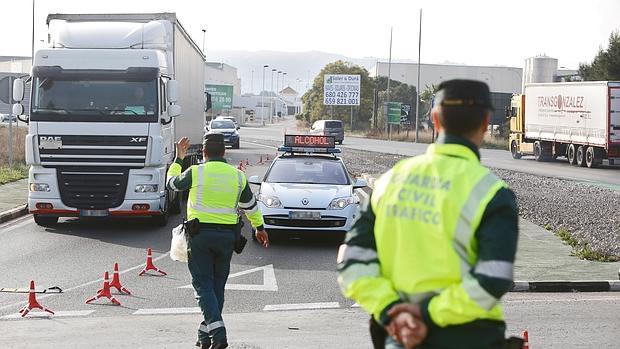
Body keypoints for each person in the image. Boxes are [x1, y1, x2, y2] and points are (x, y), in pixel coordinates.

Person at [337, 79, 519, 349]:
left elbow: (352, 263)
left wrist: (392, 312)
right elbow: (492, 280)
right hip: (472, 339)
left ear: (435, 120)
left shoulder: (390, 181)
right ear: (485, 122)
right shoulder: (493, 194)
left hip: (400, 339)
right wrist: (428, 315)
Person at [167, 134, 270, 349]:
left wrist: (179, 159)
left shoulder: (196, 172)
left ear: (204, 153)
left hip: (200, 237)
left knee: (203, 285)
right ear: (224, 152)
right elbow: (251, 206)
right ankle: (205, 336)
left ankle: (219, 334)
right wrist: (259, 228)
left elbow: (172, 184)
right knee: (217, 287)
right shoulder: (238, 175)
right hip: (227, 239)